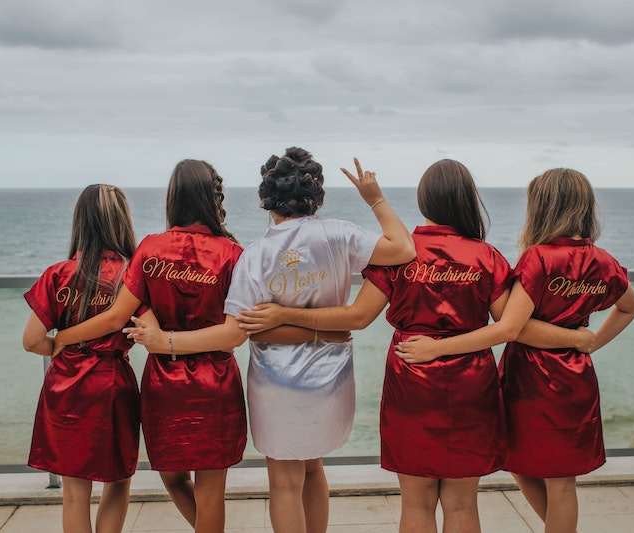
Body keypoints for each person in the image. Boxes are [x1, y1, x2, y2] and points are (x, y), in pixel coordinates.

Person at [234, 159, 592, 533]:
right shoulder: (487, 257)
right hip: (473, 385)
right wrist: (574, 336)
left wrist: (284, 316)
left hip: (411, 380)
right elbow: (513, 326)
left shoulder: (401, 255)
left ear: (424, 201)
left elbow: (357, 317)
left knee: (416, 503)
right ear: (468, 200)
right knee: (462, 505)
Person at [124, 147, 416, 533]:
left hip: (276, 379)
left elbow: (242, 329)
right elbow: (404, 249)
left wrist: (166, 340)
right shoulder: (340, 233)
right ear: (315, 197)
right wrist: (374, 197)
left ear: (266, 199)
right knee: (313, 468)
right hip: (331, 376)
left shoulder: (256, 254)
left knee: (284, 481)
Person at [393, 168, 634, 533]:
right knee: (549, 476)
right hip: (576, 374)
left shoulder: (539, 259)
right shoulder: (603, 260)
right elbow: (630, 307)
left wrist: (437, 349)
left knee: (541, 475)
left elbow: (511, 327)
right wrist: (587, 341)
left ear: (542, 207)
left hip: (533, 376)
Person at [52, 160, 247, 533]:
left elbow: (115, 317)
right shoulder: (232, 253)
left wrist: (62, 337)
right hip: (216, 382)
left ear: (172, 198)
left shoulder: (150, 248)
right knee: (211, 494)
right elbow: (236, 332)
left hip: (164, 383)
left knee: (174, 480)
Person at [22, 184, 140, 533]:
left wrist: (60, 345)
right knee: (117, 481)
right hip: (112, 385)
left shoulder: (58, 274)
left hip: (65, 387)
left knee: (74, 492)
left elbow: (31, 341)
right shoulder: (131, 274)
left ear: (80, 222)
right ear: (122, 221)